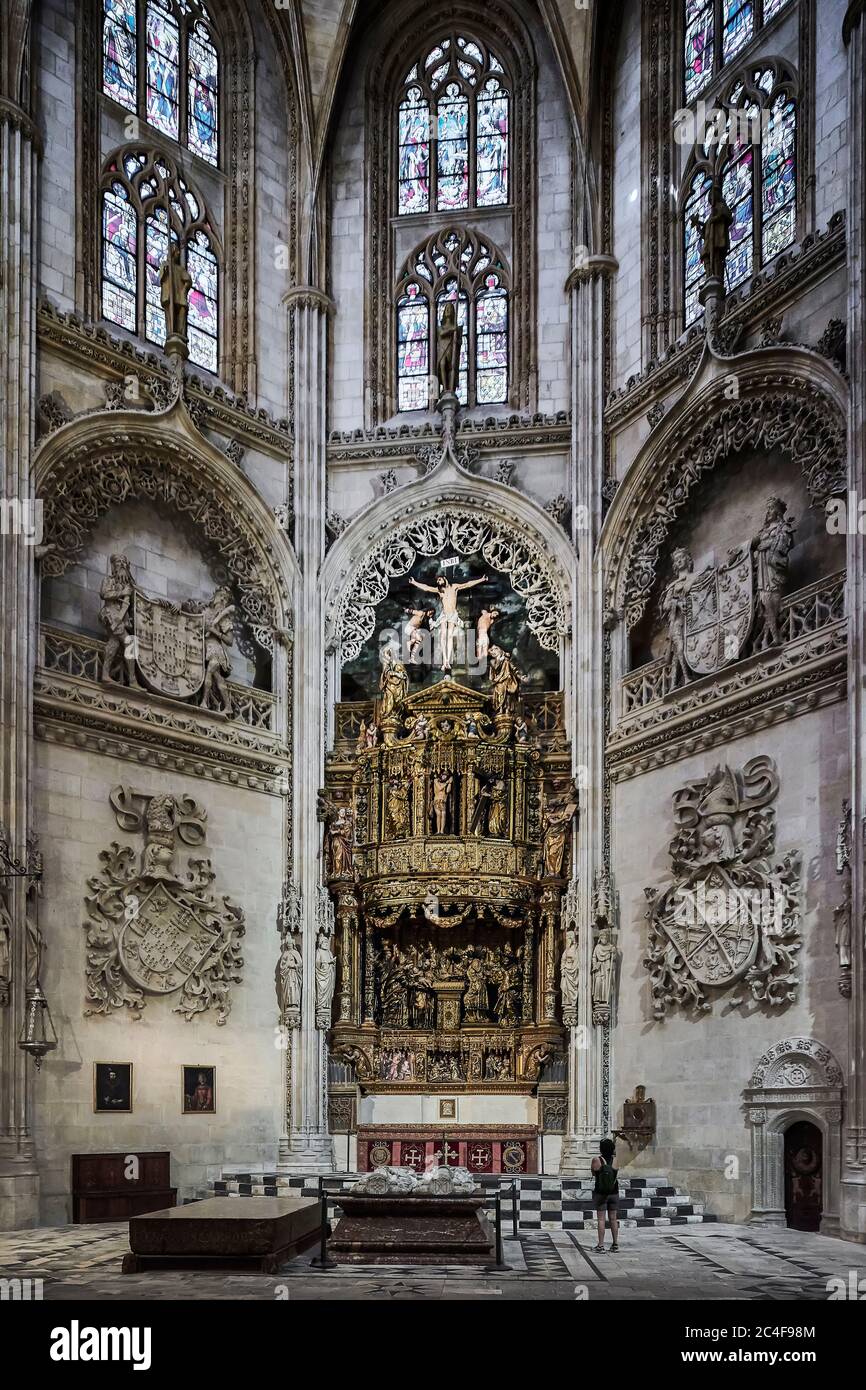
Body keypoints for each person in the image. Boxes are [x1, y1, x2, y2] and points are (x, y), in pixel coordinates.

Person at [591, 1137, 620, 1253]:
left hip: (600, 1193)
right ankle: (615, 1244)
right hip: (614, 1192)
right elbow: (616, 1172)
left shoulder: (596, 1160)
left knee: (601, 1220)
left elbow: (593, 1173)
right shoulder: (616, 1160)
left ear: (601, 1149)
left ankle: (601, 1245)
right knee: (613, 1218)